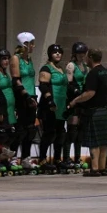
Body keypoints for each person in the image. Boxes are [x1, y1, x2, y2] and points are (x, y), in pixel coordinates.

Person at [67, 49, 107, 176]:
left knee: (94, 141)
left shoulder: (93, 73)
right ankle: (102, 168)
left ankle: (94, 169)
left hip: (95, 111)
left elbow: (90, 93)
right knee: (104, 141)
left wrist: (75, 100)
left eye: (87, 56)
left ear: (91, 57)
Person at [10, 32, 39, 171]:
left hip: (31, 95)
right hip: (21, 97)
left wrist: (32, 96)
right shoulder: (16, 58)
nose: (33, 46)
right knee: (20, 129)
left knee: (30, 129)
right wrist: (26, 96)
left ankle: (26, 158)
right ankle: (13, 157)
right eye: (31, 43)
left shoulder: (29, 59)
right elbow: (16, 80)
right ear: (24, 44)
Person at [38, 44, 68, 173]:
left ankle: (57, 159)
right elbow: (43, 86)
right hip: (50, 106)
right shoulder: (46, 68)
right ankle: (42, 159)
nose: (57, 54)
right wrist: (50, 101)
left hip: (61, 106)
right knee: (49, 133)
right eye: (55, 52)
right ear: (50, 54)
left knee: (60, 133)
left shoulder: (61, 69)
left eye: (60, 52)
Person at [64, 41, 90, 169]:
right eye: (79, 53)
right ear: (75, 54)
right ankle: (67, 158)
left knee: (80, 132)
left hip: (83, 101)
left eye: (83, 53)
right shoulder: (70, 65)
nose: (82, 55)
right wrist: (76, 92)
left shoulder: (86, 66)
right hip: (73, 99)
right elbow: (68, 83)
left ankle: (78, 158)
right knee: (72, 131)